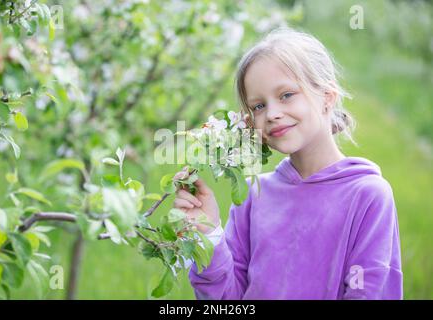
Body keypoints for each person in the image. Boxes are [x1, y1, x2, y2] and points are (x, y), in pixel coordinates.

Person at [173, 27, 403, 300]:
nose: (272, 114)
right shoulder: (253, 195)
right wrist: (209, 234)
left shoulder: (368, 195)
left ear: (327, 98)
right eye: (258, 106)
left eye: (286, 95)